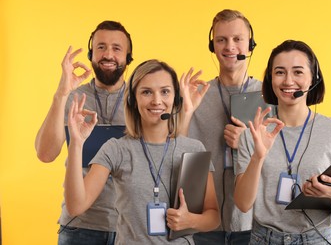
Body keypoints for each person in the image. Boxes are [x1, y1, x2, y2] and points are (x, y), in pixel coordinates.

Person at [64, 59, 220, 244]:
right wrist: (76, 142)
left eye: (165, 91)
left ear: (175, 98)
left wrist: (191, 220)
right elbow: (76, 206)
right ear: (133, 100)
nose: (157, 100)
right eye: (146, 92)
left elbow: (213, 217)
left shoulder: (193, 149)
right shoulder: (116, 149)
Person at [234, 39, 331, 244]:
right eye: (279, 72)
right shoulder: (254, 133)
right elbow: (242, 204)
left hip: (317, 238)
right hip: (264, 238)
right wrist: (258, 157)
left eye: (298, 72)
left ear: (314, 78)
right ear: (270, 79)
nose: (288, 81)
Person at [35, 20, 133, 244]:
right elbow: (45, 154)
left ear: (128, 57)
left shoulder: (143, 99)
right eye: (101, 47)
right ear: (91, 53)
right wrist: (61, 93)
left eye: (116, 48)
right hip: (79, 227)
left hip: (130, 228)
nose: (108, 54)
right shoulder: (71, 96)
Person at [179, 9, 272, 244]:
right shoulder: (196, 95)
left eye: (237, 39)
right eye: (221, 40)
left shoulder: (270, 97)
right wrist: (185, 111)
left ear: (251, 45)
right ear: (213, 46)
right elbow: (177, 152)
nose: (230, 47)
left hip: (256, 225)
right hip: (203, 225)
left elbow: (281, 160)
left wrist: (248, 142)